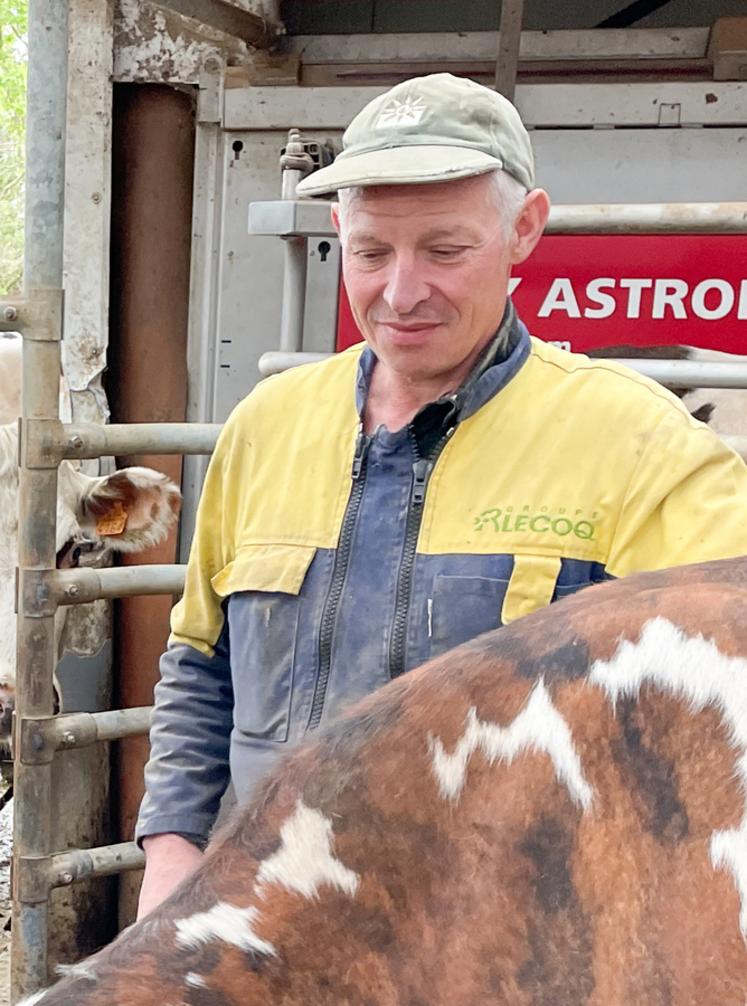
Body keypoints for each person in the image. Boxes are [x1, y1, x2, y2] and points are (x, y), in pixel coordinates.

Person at [135, 73, 747, 916]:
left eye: (445, 251)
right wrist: (171, 861)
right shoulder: (266, 426)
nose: (400, 292)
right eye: (371, 252)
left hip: (511, 936)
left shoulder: (641, 446)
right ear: (337, 232)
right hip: (271, 920)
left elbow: (724, 711)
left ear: (523, 229)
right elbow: (202, 666)